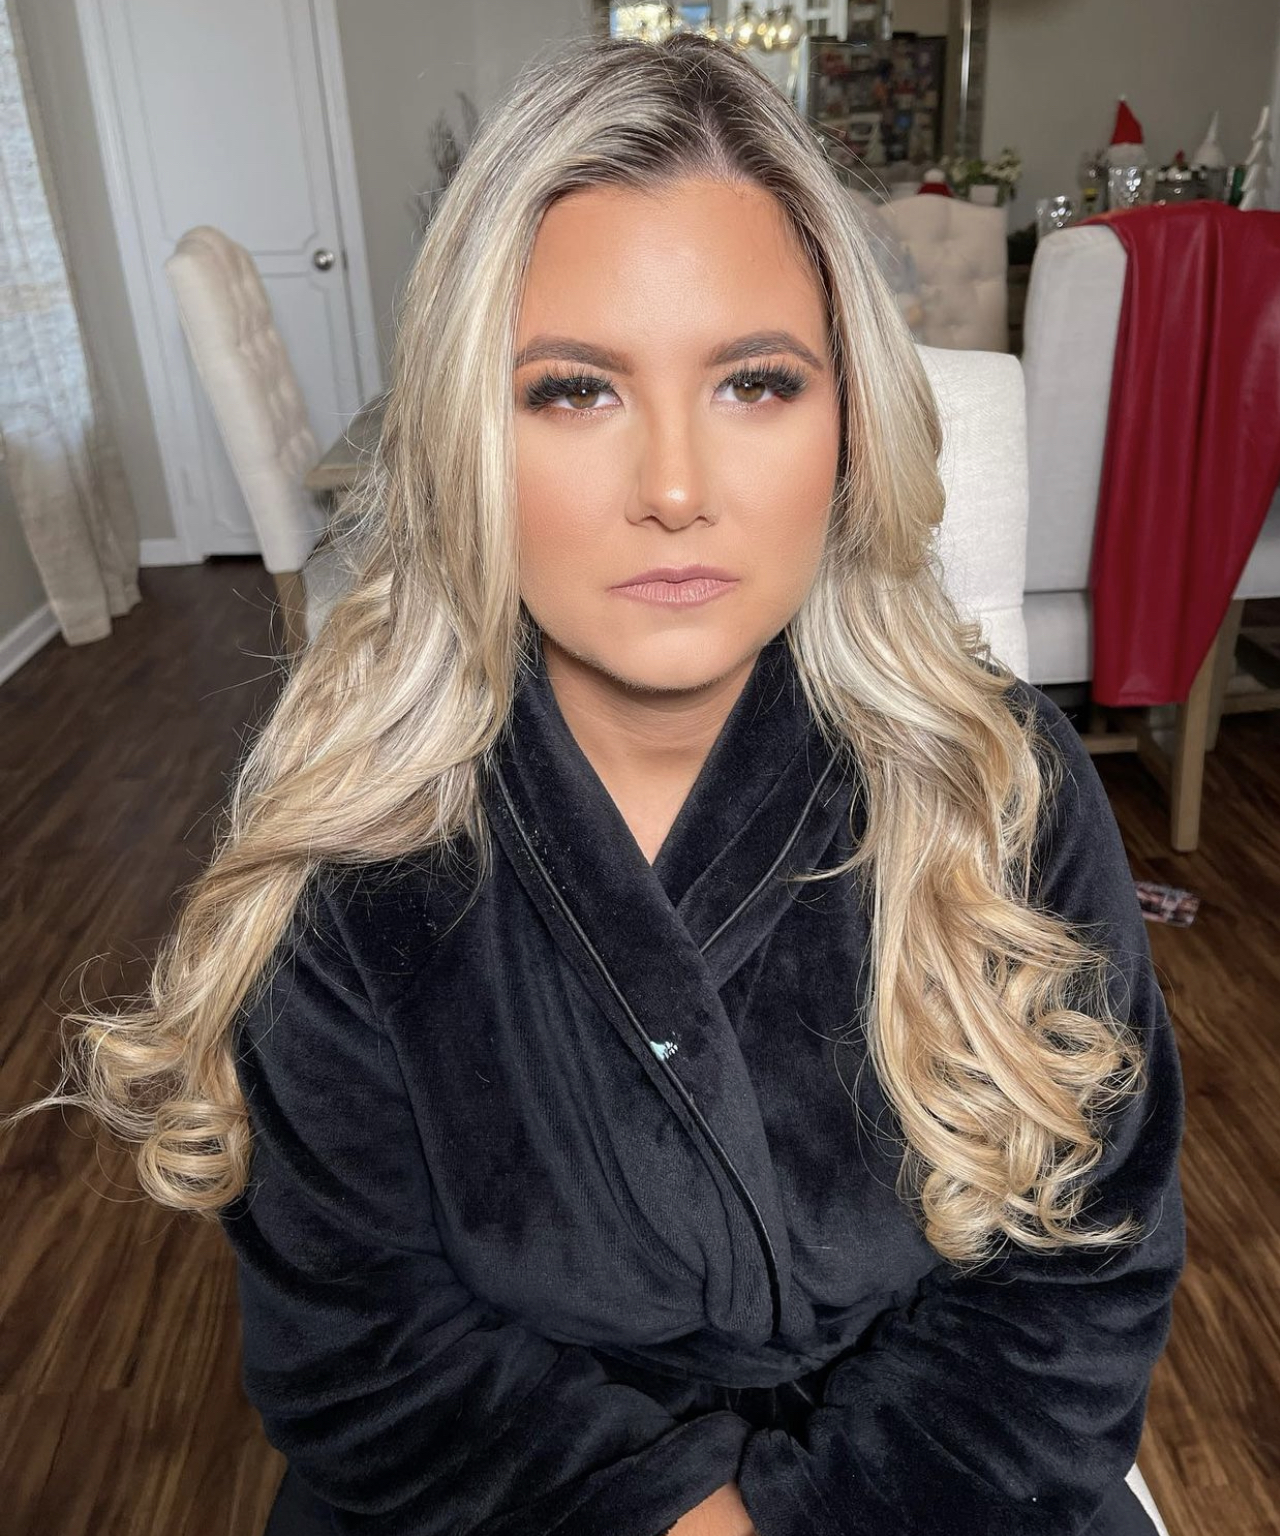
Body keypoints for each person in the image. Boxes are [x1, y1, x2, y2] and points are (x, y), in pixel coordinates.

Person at [9, 30, 1185, 1536]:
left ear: (847, 426)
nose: (676, 488)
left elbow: (1082, 1276)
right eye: (574, 391)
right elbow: (368, 1358)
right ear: (463, 436)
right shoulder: (348, 841)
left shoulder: (1000, 788)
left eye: (755, 382)